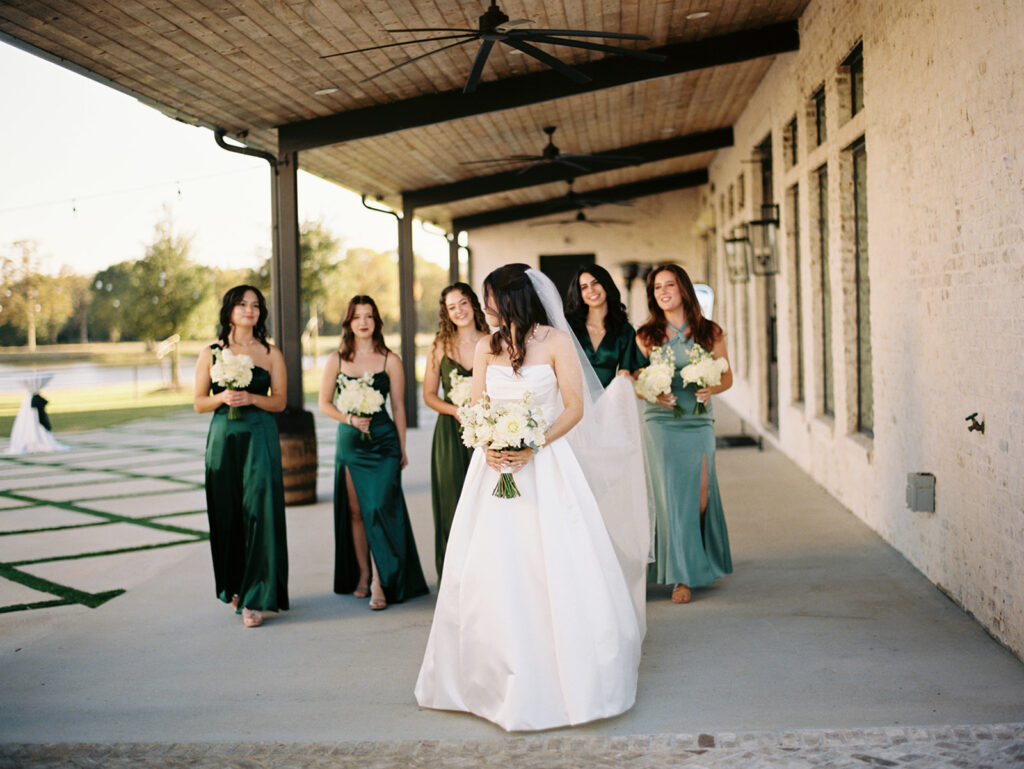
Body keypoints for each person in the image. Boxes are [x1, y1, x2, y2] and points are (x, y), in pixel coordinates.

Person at [415, 264, 646, 732]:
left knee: (553, 562)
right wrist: (489, 442)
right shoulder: (486, 345)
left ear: (513, 297)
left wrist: (533, 443)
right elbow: (477, 404)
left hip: (546, 463)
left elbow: (575, 407)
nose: (485, 307)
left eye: (490, 298)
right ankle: (489, 675)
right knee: (494, 565)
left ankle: (563, 674)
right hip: (494, 466)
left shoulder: (557, 343)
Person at [318, 295, 428, 611]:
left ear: (376, 322)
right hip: (351, 441)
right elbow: (325, 403)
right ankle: (363, 573)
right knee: (355, 512)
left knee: (380, 507)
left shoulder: (389, 360)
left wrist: (402, 448)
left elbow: (398, 406)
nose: (363, 322)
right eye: (357, 317)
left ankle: (383, 578)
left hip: (384, 442)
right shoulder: (336, 360)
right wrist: (349, 418)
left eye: (369, 316)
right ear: (349, 323)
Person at [635, 264, 733, 604]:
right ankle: (681, 577)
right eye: (657, 287)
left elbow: (727, 377)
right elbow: (634, 380)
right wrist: (652, 392)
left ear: (684, 290)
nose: (663, 292)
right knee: (672, 498)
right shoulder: (646, 335)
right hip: (661, 422)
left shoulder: (710, 331)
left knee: (701, 493)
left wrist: (711, 389)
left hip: (698, 421)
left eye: (670, 285)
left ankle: (698, 555)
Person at [193, 285, 288, 629]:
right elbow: (199, 403)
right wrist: (223, 399)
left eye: (256, 305)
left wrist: (250, 398)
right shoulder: (211, 352)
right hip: (223, 440)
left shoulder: (270, 353)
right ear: (229, 310)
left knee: (259, 511)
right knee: (227, 512)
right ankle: (234, 585)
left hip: (259, 437)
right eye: (242, 304)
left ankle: (256, 597)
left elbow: (279, 401)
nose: (249, 310)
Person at [422, 283, 489, 580]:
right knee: (452, 501)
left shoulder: (493, 341)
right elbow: (429, 395)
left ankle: (485, 576)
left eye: (463, 303)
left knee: (485, 504)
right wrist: (456, 411)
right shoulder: (439, 346)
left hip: (488, 433)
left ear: (473, 305)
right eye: (452, 307)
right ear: (446, 313)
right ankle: (454, 577)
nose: (459, 311)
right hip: (450, 433)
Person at [564, 264, 646, 387]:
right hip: (575, 399)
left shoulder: (625, 330)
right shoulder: (568, 327)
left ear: (606, 284)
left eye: (595, 283)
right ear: (579, 294)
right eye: (584, 287)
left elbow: (626, 372)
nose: (591, 290)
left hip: (609, 400)